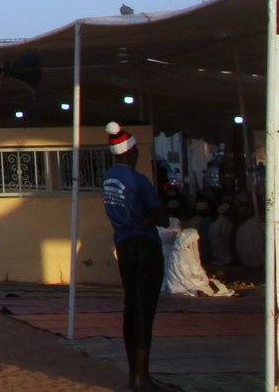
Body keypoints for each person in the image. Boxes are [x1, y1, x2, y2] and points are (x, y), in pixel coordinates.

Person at [101, 123, 163, 391]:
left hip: (124, 245)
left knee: (131, 307)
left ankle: (133, 374)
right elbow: (161, 215)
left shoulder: (108, 178)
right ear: (131, 152)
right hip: (143, 245)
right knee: (144, 310)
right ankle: (142, 377)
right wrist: (150, 217)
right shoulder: (139, 181)